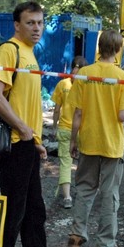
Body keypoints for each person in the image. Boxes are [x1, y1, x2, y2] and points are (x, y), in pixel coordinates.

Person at [0, 1, 66, 247]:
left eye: (40, 22)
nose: (36, 28)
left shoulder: (30, 53)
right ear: (17, 25)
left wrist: (37, 141)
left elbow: (25, 103)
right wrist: (21, 128)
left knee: (34, 211)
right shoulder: (10, 50)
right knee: (13, 213)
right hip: (14, 145)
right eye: (30, 22)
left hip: (27, 145)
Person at [67, 30, 124, 247]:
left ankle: (76, 237)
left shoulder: (84, 73)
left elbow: (78, 113)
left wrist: (73, 140)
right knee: (109, 194)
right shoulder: (123, 77)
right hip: (111, 145)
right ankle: (106, 244)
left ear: (99, 47)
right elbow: (123, 115)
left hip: (89, 140)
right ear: (118, 49)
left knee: (84, 189)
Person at [51, 55, 88, 209]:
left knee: (66, 164)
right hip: (83, 130)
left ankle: (67, 197)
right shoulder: (88, 85)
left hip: (65, 129)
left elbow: (56, 109)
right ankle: (83, 194)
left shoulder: (62, 84)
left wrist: (54, 126)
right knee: (84, 163)